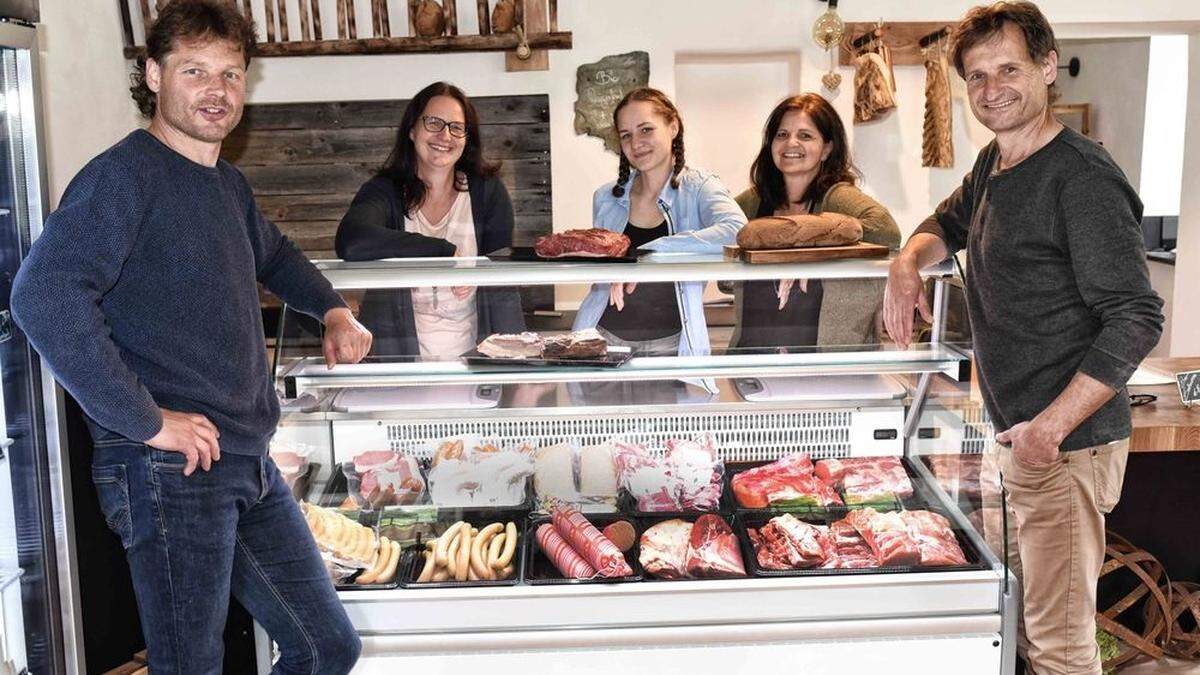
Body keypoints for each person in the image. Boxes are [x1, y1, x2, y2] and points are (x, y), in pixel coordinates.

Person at [9, 1, 370, 672]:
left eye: (231, 75)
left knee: (326, 645)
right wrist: (147, 421)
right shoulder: (123, 178)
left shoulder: (225, 184)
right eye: (195, 70)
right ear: (152, 74)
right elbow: (42, 296)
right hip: (168, 469)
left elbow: (277, 256)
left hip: (245, 461)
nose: (217, 91)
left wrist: (332, 310)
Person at [882, 3, 1163, 673]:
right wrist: (903, 266)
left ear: (1046, 66)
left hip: (1064, 447)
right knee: (1028, 631)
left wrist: (1049, 428)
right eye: (976, 76)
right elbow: (942, 224)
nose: (991, 89)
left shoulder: (1081, 178)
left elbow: (1137, 316)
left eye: (1008, 68)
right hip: (1024, 441)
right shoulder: (998, 163)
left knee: (1061, 648)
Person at [336, 81, 524, 358]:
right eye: (433, 122)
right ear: (412, 130)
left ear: (466, 138)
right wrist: (444, 252)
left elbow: (502, 287)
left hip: (472, 362)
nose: (445, 135)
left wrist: (521, 363)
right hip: (396, 364)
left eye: (456, 127)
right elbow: (351, 241)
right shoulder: (385, 191)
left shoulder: (488, 192)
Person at [574, 87, 746, 359]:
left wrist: (649, 252)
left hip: (671, 347)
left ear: (673, 126)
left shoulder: (700, 187)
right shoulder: (606, 197)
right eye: (626, 135)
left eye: (646, 130)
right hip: (602, 338)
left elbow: (737, 231)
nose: (636, 143)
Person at [729, 93, 900, 349]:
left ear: (827, 149)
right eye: (782, 134)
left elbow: (886, 231)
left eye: (805, 136)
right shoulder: (755, 200)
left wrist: (801, 246)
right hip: (753, 356)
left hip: (828, 363)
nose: (791, 143)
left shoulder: (837, 196)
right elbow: (719, 241)